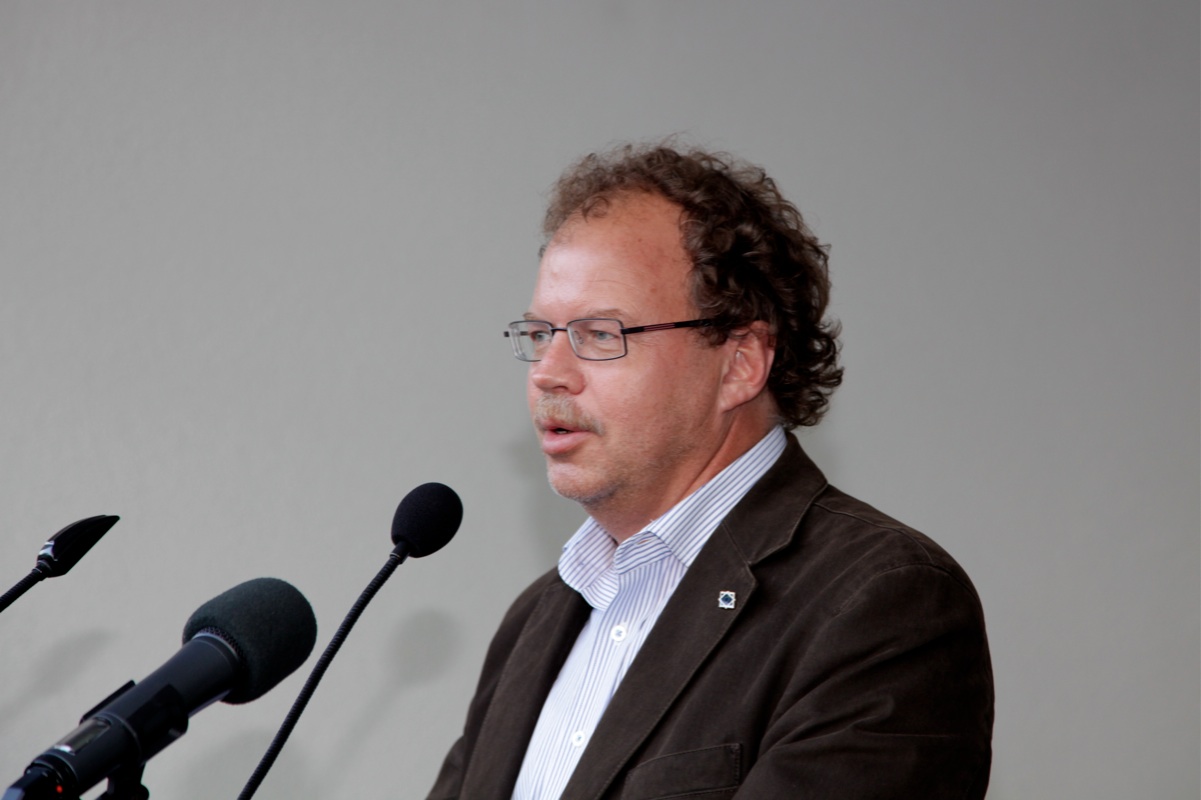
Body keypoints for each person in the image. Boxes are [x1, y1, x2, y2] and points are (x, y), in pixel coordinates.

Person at [427, 143, 993, 799]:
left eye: (600, 334)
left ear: (739, 363)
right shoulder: (535, 620)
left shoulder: (880, 603)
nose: (548, 373)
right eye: (539, 334)